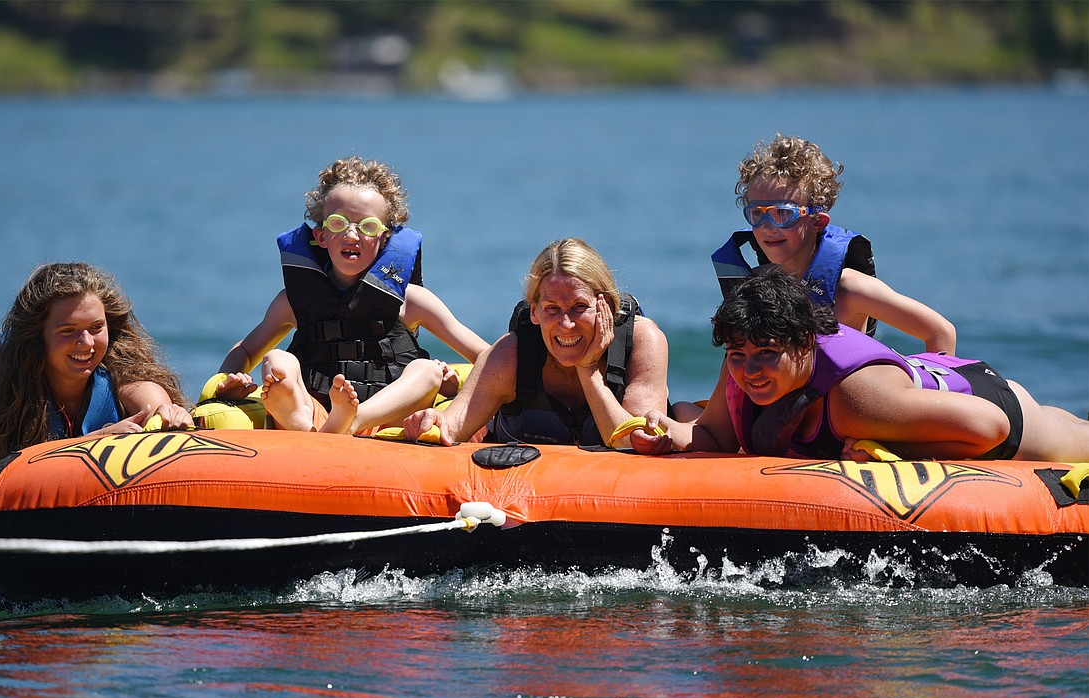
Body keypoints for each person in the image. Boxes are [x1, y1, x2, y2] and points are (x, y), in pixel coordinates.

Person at [632, 267, 1089, 462]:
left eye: (767, 353)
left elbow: (992, 427)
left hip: (1000, 406)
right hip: (919, 389)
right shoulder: (745, 367)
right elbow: (715, 435)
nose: (750, 369)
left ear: (805, 344)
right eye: (738, 356)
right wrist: (664, 434)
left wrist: (895, 452)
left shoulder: (857, 401)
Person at [674, 133, 957, 422]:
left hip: (837, 416)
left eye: (782, 214)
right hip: (776, 412)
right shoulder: (755, 288)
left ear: (816, 221)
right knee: (681, 410)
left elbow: (939, 332)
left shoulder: (850, 288)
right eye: (757, 214)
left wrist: (936, 407)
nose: (768, 227)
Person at [214, 157, 488, 434]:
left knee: (427, 371)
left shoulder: (410, 300)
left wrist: (457, 390)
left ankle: (352, 420)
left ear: (384, 239)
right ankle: (302, 421)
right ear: (321, 236)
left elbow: (486, 355)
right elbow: (248, 350)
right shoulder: (294, 302)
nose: (351, 234)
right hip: (318, 416)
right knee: (276, 359)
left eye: (367, 226)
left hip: (386, 421)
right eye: (337, 223)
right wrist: (227, 381)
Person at [403, 237, 670, 447]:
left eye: (579, 306)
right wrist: (432, 422)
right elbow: (452, 426)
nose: (566, 324)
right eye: (552, 308)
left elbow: (635, 443)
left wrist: (588, 371)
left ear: (607, 306)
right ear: (534, 312)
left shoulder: (643, 344)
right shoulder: (511, 355)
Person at [0, 263, 193, 462]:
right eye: (68, 330)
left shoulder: (127, 379)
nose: (86, 342)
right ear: (36, 335)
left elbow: (155, 408)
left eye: (96, 327)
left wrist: (169, 417)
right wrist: (95, 440)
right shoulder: (2, 371)